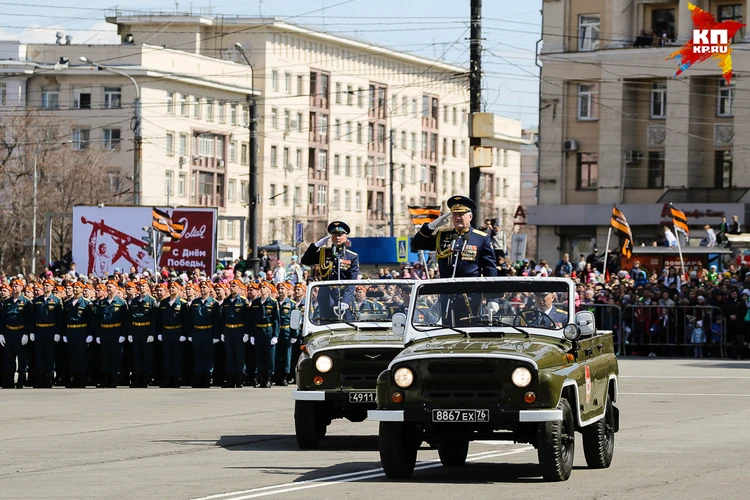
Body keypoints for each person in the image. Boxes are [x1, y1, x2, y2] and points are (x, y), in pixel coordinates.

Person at [410, 195, 497, 278]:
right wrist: (430, 227)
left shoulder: (481, 238)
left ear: (470, 216)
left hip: (470, 290)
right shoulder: (442, 235)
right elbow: (416, 244)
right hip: (447, 291)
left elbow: (489, 268)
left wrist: (488, 292)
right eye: (454, 214)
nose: (457, 218)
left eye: (461, 214)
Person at [301, 221, 360, 319]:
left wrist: (346, 299)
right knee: (326, 322)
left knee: (347, 323)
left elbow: (352, 280)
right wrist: (315, 246)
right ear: (331, 237)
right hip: (326, 294)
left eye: (340, 235)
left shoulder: (352, 256)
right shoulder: (324, 253)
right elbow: (305, 261)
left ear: (346, 237)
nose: (337, 238)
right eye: (335, 235)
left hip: (343, 294)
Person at [95, 280, 129, 388]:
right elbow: (98, 320)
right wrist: (98, 335)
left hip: (116, 331)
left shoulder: (122, 302)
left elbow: (125, 320)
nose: (109, 288)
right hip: (105, 331)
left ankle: (114, 379)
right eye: (107, 287)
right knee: (105, 356)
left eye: (111, 286)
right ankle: (106, 379)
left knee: (115, 356)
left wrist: (123, 334)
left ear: (116, 288)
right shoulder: (102, 303)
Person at [31, 278, 64, 388]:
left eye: (48, 285)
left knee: (50, 355)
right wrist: (32, 332)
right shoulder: (36, 301)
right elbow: (32, 318)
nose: (45, 287)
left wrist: (58, 333)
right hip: (39, 330)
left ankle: (49, 378)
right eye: (44, 285)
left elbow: (60, 319)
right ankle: (41, 379)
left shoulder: (57, 300)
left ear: (52, 287)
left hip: (51, 330)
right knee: (40, 355)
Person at [1, 279, 34, 388]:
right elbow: (3, 319)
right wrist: (1, 333)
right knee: (9, 357)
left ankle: (21, 380)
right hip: (9, 332)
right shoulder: (7, 302)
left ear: (21, 287)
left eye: (17, 286)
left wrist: (26, 334)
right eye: (13, 286)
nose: (15, 288)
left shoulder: (26, 302)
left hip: (20, 332)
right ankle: (9, 380)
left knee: (22, 357)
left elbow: (29, 320)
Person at [158, 281, 188, 388]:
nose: (172, 290)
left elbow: (186, 320)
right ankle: (167, 378)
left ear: (179, 290)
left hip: (177, 331)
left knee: (177, 356)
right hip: (166, 331)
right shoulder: (164, 302)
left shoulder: (183, 303)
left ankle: (176, 379)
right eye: (170, 288)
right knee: (167, 356)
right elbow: (159, 320)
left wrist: (184, 334)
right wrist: (159, 332)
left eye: (174, 288)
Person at [251, 281, 280, 388]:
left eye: (264, 287)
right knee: (260, 356)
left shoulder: (273, 302)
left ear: (268, 289)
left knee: (270, 357)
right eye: (261, 288)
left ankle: (268, 379)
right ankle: (261, 379)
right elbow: (252, 320)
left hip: (268, 330)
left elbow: (276, 320)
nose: (262, 289)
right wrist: (252, 335)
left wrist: (275, 335)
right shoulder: (255, 303)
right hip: (258, 330)